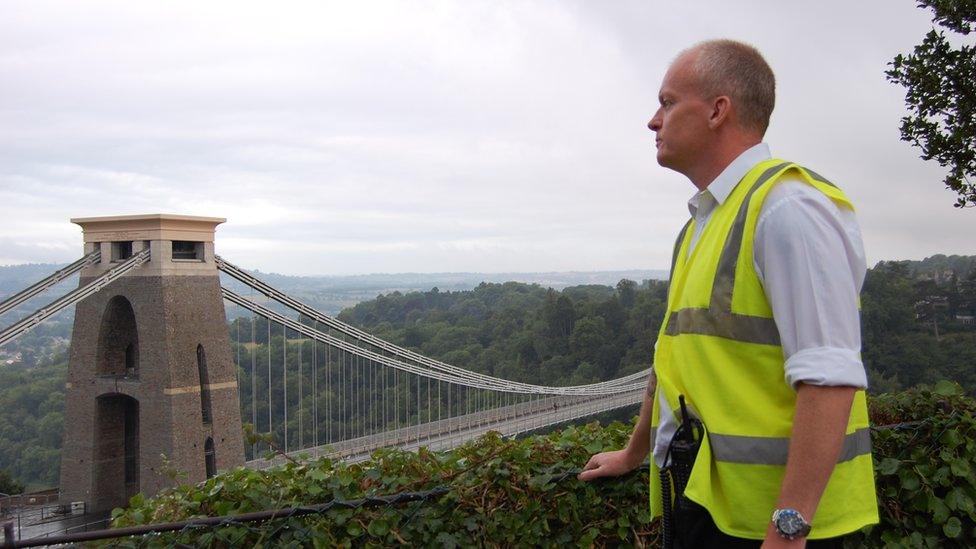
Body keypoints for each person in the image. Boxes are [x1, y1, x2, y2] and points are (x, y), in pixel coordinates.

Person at [578, 39, 878, 548]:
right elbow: (673, 359)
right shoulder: (703, 222)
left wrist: (787, 532)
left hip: (776, 525)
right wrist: (633, 453)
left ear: (718, 110)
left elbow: (829, 379)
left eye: (668, 102)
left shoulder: (787, 210)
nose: (654, 120)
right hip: (706, 498)